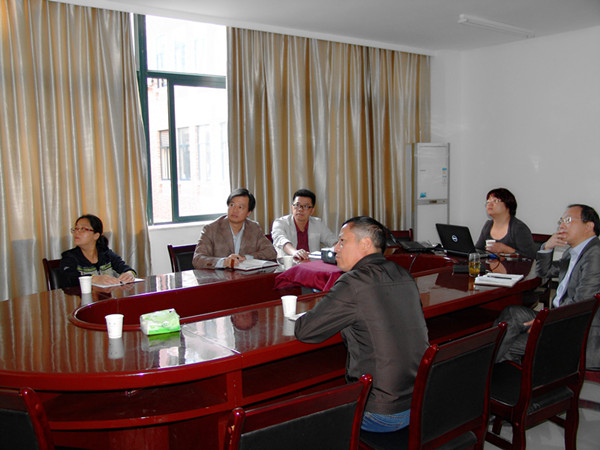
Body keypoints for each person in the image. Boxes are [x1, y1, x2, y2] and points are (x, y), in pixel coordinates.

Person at [294, 216, 428, 432]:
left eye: (342, 241)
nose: (335, 248)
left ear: (365, 244)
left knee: (304, 415)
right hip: (418, 401)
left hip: (379, 412)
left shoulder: (353, 282)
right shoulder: (403, 274)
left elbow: (305, 331)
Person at [494, 204, 600, 369]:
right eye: (561, 221)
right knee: (512, 314)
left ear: (589, 226)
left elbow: (581, 302)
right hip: (560, 318)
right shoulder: (574, 252)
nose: (562, 225)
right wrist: (547, 247)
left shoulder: (595, 254)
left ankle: (486, 373)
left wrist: (545, 320)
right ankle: (498, 372)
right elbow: (545, 271)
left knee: (505, 345)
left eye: (568, 220)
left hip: (577, 329)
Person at [192, 188, 277, 269]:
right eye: (232, 205)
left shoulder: (254, 228)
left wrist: (247, 258)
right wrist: (224, 262)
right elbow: (197, 259)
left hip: (245, 276)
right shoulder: (211, 229)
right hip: (220, 277)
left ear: (249, 212)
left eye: (240, 207)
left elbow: (271, 252)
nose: (235, 210)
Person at [59, 214, 136, 288]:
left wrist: (129, 273)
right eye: (76, 229)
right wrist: (94, 279)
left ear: (96, 235)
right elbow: (69, 279)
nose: (76, 232)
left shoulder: (106, 254)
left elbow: (124, 268)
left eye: (83, 229)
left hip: (108, 295)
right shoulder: (69, 256)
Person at [271, 188, 338, 261]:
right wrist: (295, 252)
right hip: (288, 265)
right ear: (292, 207)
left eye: (306, 206)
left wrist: (338, 248)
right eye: (297, 205)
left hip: (312, 265)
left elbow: (331, 240)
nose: (300, 209)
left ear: (312, 211)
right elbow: (280, 240)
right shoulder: (280, 223)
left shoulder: (318, 223)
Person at [474, 187, 536, 259]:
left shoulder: (518, 228)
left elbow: (531, 257)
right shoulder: (488, 225)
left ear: (508, 204)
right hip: (491, 265)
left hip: (513, 266)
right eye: (488, 202)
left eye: (495, 201)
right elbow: (477, 250)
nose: (489, 204)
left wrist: (505, 249)